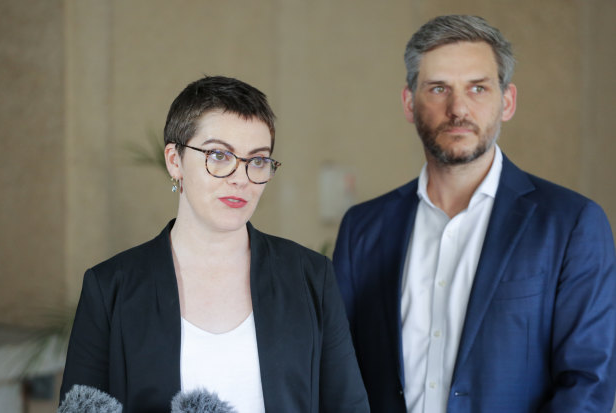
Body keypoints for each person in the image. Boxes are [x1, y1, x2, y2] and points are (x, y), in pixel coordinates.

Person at [333, 15, 616, 413]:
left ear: (508, 102)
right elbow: (338, 375)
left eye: (478, 88)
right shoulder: (362, 228)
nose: (458, 108)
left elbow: (588, 384)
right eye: (438, 88)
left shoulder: (571, 224)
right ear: (410, 103)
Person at [60, 76, 369, 412]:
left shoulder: (310, 277)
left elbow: (348, 406)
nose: (240, 177)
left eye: (258, 160)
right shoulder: (110, 288)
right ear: (174, 161)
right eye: (219, 155)